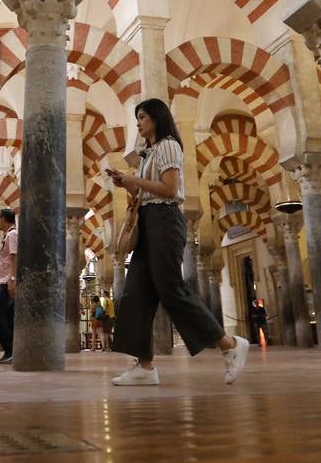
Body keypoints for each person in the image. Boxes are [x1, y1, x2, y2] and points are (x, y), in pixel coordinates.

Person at [106, 98, 248, 386]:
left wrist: (135, 179)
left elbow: (170, 190)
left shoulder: (169, 144)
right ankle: (144, 367)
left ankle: (229, 344)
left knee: (171, 290)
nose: (138, 123)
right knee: (134, 294)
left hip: (164, 221)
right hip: (149, 221)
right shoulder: (150, 152)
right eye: (137, 118)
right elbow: (150, 191)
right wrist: (129, 184)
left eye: (142, 117)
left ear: (157, 118)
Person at [0, 208, 17, 364]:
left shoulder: (12, 234)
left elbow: (15, 257)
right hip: (5, 280)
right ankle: (11, 351)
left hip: (7, 282)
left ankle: (10, 350)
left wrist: (13, 280)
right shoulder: (7, 235)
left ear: (3, 219)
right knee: (8, 317)